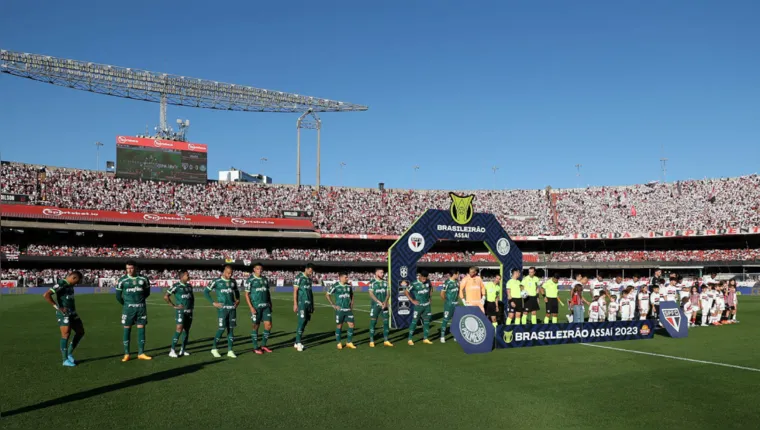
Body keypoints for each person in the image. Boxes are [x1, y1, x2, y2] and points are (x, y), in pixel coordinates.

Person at [43, 270, 84, 367]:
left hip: (72, 313)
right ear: (73, 278)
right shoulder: (61, 283)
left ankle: (69, 353)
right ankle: (65, 360)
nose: (77, 284)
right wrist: (58, 307)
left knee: (80, 331)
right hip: (64, 314)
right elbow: (46, 295)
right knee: (66, 334)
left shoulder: (70, 285)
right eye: (77, 281)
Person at [116, 260, 152, 362]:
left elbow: (147, 293)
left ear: (136, 268)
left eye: (131, 268)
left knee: (141, 328)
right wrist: (127, 304)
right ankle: (126, 353)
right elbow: (118, 296)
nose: (129, 270)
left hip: (141, 308)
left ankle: (141, 353)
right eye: (127, 268)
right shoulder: (122, 280)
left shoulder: (144, 279)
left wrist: (139, 302)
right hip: (128, 309)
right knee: (127, 328)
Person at [205, 265, 240, 358]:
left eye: (231, 273)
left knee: (231, 329)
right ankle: (214, 348)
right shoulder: (216, 281)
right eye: (228, 273)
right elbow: (205, 292)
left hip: (232, 308)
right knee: (222, 328)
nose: (230, 275)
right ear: (224, 272)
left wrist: (238, 300)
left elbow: (237, 292)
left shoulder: (233, 281)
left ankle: (230, 350)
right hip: (222, 309)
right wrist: (213, 302)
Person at [164, 269, 194, 358]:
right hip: (181, 311)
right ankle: (172, 350)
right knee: (179, 328)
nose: (188, 276)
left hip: (189, 312)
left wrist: (192, 307)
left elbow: (192, 298)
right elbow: (166, 296)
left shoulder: (189, 286)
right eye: (187, 275)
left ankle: (183, 350)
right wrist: (173, 305)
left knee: (186, 330)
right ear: (182, 277)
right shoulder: (176, 286)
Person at [245, 262, 273, 355]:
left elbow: (267, 292)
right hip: (256, 307)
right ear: (254, 269)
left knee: (268, 325)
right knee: (255, 326)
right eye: (257, 269)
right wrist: (251, 307)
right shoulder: (250, 280)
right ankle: (255, 347)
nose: (259, 270)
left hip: (266, 306)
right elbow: (246, 294)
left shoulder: (265, 279)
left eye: (261, 269)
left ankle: (263, 345)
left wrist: (270, 303)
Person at [326, 272, 356, 350]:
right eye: (346, 277)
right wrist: (333, 305)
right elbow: (327, 294)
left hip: (348, 309)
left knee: (351, 324)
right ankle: (339, 343)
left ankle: (349, 342)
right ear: (341, 277)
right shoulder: (335, 286)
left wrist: (351, 304)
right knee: (339, 326)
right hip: (340, 310)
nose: (347, 278)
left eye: (347, 277)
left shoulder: (349, 286)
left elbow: (352, 295)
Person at [405, 270, 433, 345]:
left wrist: (430, 297)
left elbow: (431, 288)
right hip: (418, 306)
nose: (424, 279)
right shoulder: (414, 283)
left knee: (426, 322)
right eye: (423, 278)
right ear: (419, 276)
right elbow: (406, 292)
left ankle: (425, 338)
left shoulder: (428, 281)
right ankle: (410, 339)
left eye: (425, 278)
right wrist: (412, 300)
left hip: (427, 306)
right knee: (414, 322)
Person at [293, 263, 315, 352]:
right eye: (310, 270)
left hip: (308, 304)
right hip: (301, 303)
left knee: (305, 321)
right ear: (306, 269)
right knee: (301, 321)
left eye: (312, 271)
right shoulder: (299, 277)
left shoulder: (309, 279)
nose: (311, 272)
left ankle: (296, 342)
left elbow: (310, 293)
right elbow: (295, 291)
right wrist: (295, 304)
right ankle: (298, 342)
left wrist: (312, 305)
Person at [368, 268, 392, 347]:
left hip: (384, 305)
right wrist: (378, 302)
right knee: (373, 322)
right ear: (376, 273)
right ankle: (371, 340)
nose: (383, 274)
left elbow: (388, 293)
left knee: (386, 322)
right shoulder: (372, 282)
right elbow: (371, 294)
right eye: (381, 272)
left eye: (383, 272)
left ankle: (386, 340)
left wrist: (385, 302)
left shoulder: (385, 282)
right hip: (375, 306)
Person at [439, 269, 460, 343]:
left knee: (456, 320)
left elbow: (458, 293)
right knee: (445, 320)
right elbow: (442, 294)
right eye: (457, 274)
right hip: (449, 304)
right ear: (454, 274)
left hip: (456, 304)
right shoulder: (447, 282)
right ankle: (442, 336)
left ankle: (455, 336)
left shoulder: (457, 283)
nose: (458, 275)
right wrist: (447, 302)